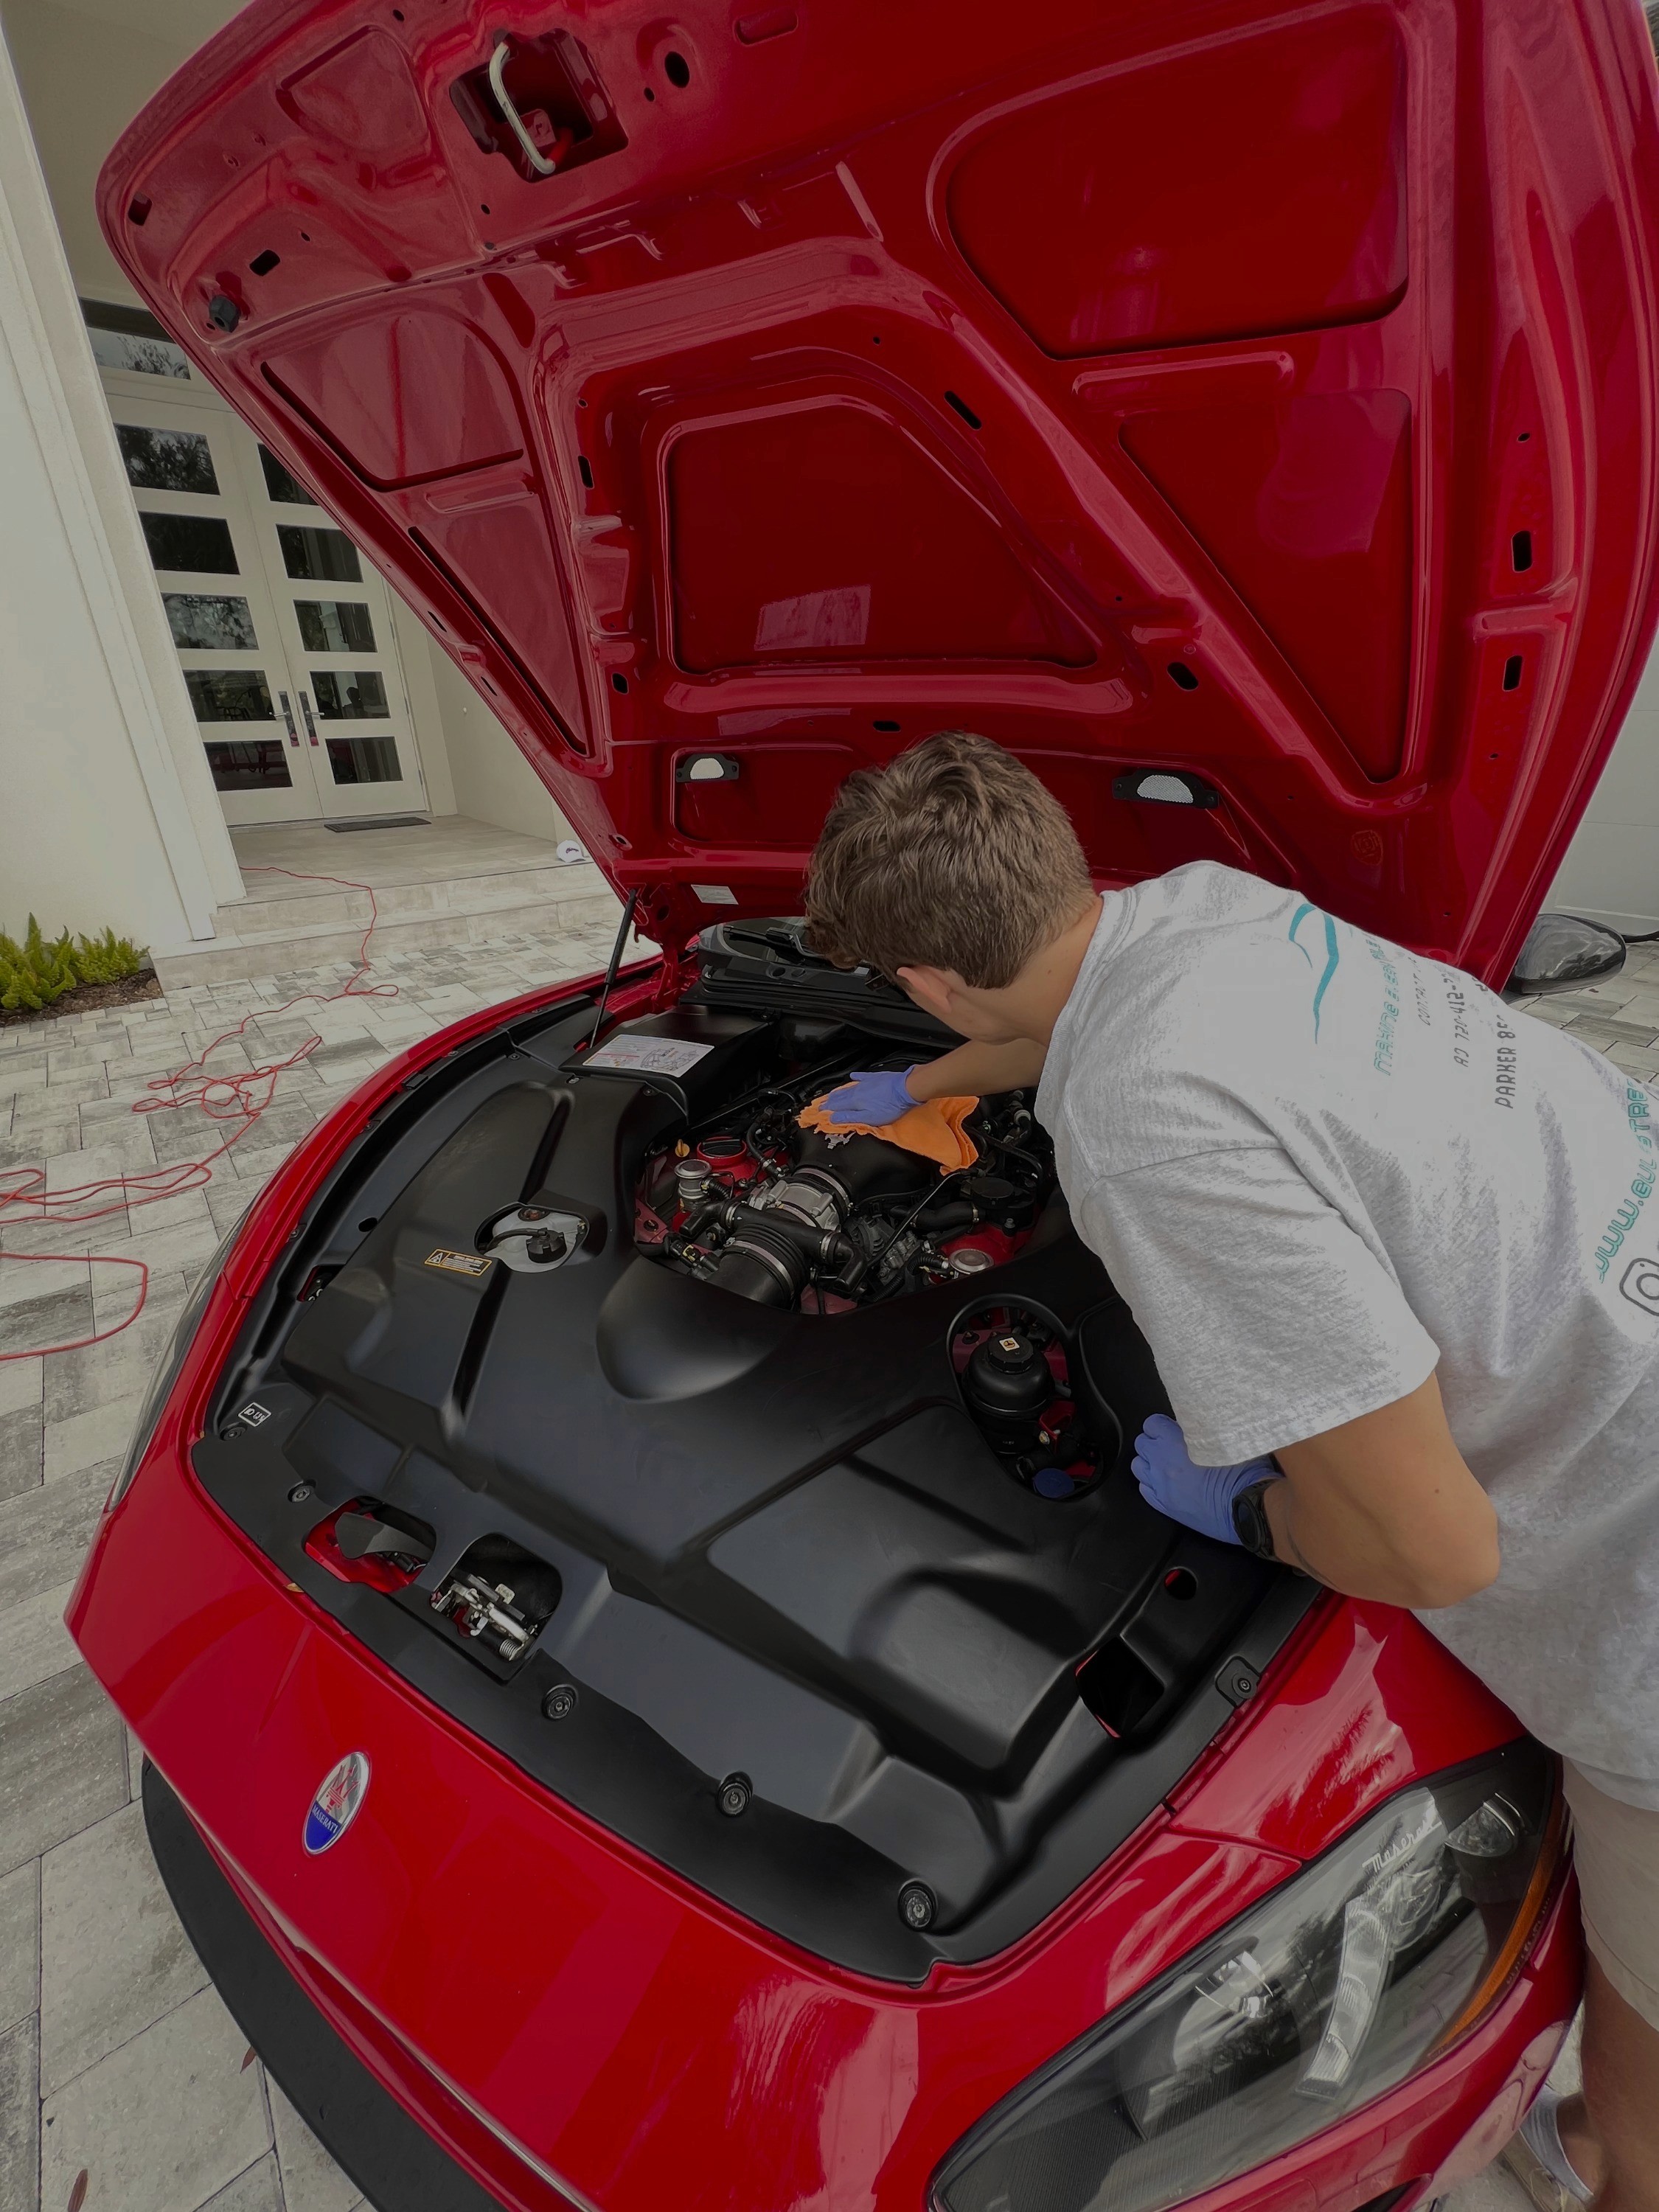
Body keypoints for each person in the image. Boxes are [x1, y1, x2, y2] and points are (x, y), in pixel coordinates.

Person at [803, 729, 1659, 2212]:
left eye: (920, 1003)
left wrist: (1247, 1503)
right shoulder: (1201, 911)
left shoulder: (1153, 1136)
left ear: (932, 971)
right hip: (1615, 1304)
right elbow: (1048, 1025)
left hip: (1640, 1575)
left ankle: (1597, 2164)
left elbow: (1438, 1550)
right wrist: (910, 1094)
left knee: (1649, 2076)